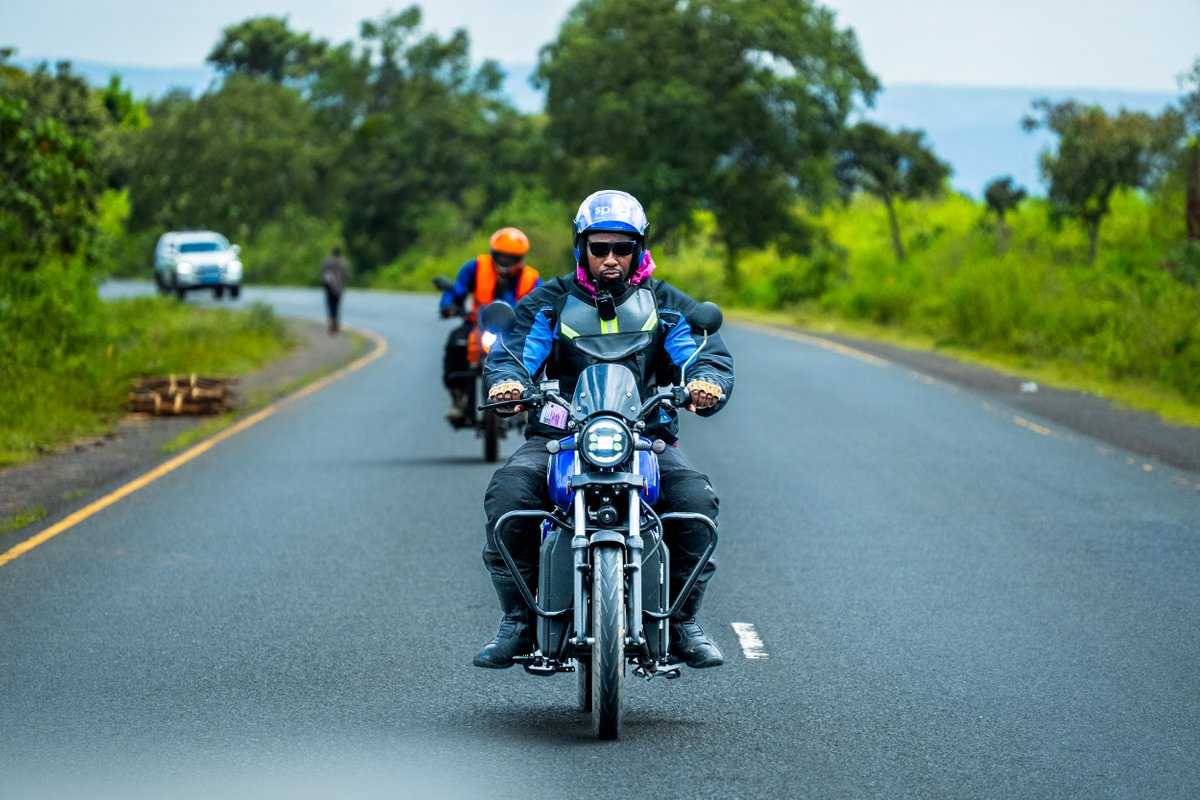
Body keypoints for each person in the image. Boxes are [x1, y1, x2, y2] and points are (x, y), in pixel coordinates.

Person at [474, 189, 734, 669]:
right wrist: (508, 381)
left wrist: (705, 382)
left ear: (638, 248)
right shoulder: (549, 303)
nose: (611, 259)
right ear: (581, 247)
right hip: (559, 436)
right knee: (508, 496)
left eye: (622, 248)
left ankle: (680, 622)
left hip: (645, 437)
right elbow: (513, 351)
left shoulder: (666, 303)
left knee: (698, 504)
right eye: (599, 248)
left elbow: (702, 352)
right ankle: (517, 621)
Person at [439, 227, 541, 424]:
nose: (505, 262)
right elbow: (457, 290)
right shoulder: (475, 267)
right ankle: (457, 398)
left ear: (520, 257)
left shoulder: (532, 278)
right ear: (493, 253)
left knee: (535, 352)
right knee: (455, 344)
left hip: (514, 330)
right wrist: (448, 306)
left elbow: (541, 302)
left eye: (511, 257)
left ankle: (529, 400)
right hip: (477, 324)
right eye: (502, 256)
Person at [321, 247, 352, 334]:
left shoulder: (327, 262)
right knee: (337, 305)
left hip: (329, 287)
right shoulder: (343, 263)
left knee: (330, 305)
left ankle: (331, 322)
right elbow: (348, 275)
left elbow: (323, 273)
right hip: (339, 287)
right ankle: (335, 324)